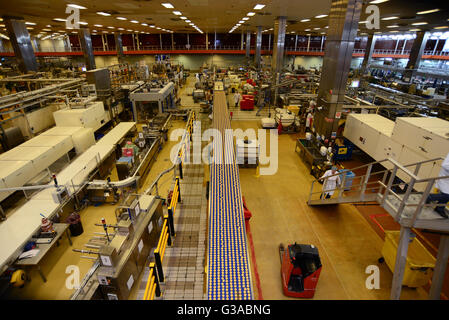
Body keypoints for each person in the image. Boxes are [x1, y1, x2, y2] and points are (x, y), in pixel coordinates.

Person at [426, 152, 449, 218]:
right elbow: (445, 165)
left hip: (447, 179)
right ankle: (429, 197)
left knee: (446, 195)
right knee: (447, 195)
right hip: (444, 177)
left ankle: (439, 208)